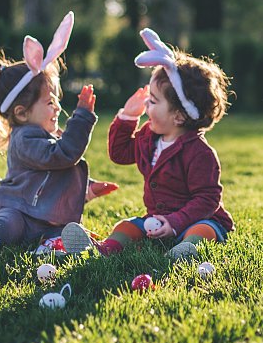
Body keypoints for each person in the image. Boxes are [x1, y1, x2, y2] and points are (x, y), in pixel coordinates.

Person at [0, 12, 115, 257]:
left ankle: (50, 248)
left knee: (61, 232)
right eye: (49, 102)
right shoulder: (25, 139)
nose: (58, 108)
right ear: (21, 112)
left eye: (57, 100)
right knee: (7, 228)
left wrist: (88, 189)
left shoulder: (46, 136)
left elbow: (56, 175)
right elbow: (63, 156)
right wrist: (81, 118)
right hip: (18, 211)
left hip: (45, 218)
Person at [60, 28, 233, 260]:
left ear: (179, 116)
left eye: (153, 101)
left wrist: (174, 222)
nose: (147, 107)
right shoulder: (149, 137)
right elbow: (119, 153)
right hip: (155, 220)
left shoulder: (200, 153)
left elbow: (208, 199)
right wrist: (127, 118)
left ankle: (185, 250)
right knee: (126, 226)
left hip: (197, 218)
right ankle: (103, 249)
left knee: (202, 230)